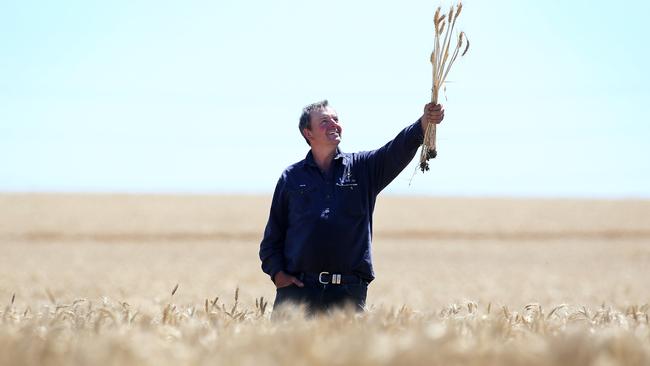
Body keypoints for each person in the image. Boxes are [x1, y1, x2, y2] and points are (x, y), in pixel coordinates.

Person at [259, 100, 444, 316]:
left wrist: (424, 122)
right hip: (298, 292)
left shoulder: (362, 168)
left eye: (336, 120)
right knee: (285, 350)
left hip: (348, 293)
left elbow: (396, 150)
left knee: (348, 351)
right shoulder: (291, 177)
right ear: (308, 133)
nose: (333, 125)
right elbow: (272, 238)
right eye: (325, 121)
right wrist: (278, 275)